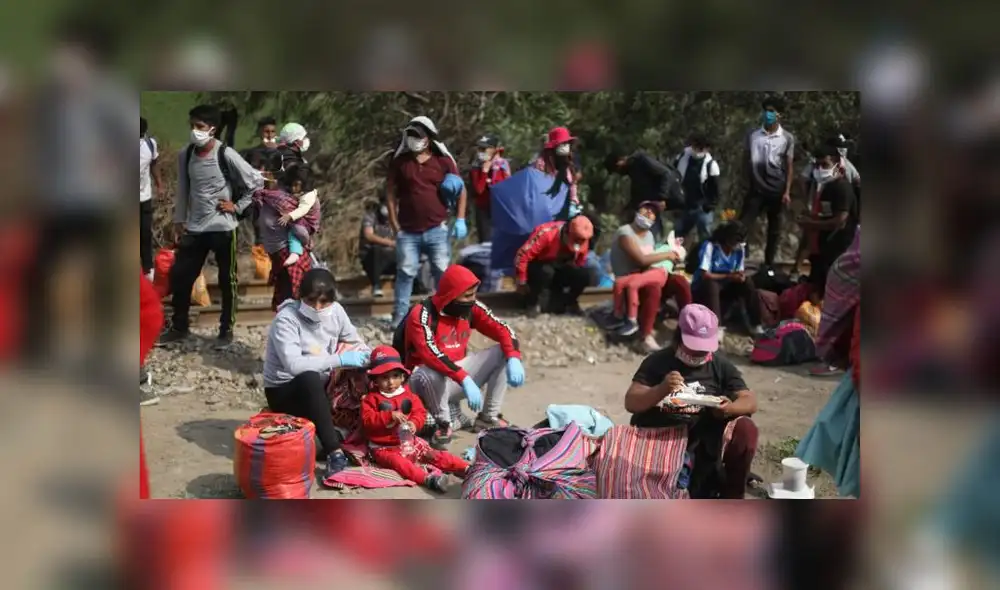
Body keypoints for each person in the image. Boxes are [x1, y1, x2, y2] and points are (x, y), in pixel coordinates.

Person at [625, 304, 760, 499]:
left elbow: (749, 400)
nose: (699, 353)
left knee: (746, 429)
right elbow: (632, 402)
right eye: (694, 346)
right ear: (679, 336)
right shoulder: (658, 362)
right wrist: (661, 389)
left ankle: (731, 495)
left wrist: (728, 408)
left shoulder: (719, 365)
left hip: (702, 444)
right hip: (661, 444)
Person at [159, 104, 263, 348]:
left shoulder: (225, 153)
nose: (195, 131)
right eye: (192, 126)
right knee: (181, 275)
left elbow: (255, 182)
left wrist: (236, 207)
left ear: (213, 130)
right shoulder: (186, 154)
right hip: (195, 227)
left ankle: (226, 330)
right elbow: (184, 189)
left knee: (228, 279)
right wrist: (178, 220)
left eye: (200, 127)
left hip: (223, 227)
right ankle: (179, 327)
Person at [262, 268, 372, 480]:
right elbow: (294, 365)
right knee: (309, 376)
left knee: (366, 370)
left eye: (324, 302)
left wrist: (364, 355)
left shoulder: (336, 312)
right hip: (287, 389)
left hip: (324, 383)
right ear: (300, 297)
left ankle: (366, 432)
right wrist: (339, 360)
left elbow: (355, 341)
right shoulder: (287, 320)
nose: (318, 308)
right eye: (311, 301)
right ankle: (334, 452)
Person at [401, 265, 524, 449]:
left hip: (454, 379)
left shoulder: (472, 309)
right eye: (467, 296)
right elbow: (430, 355)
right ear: (451, 295)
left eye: (474, 294)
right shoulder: (422, 314)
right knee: (431, 371)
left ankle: (488, 417)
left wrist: (513, 357)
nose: (472, 300)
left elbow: (502, 329)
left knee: (503, 352)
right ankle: (443, 425)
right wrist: (464, 379)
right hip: (422, 383)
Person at [386, 115, 467, 327]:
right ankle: (400, 317)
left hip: (436, 228)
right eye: (410, 135)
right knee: (405, 273)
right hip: (407, 231)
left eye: (418, 136)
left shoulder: (443, 162)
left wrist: (460, 219)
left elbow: (461, 189)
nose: (413, 139)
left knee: (441, 272)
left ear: (428, 139)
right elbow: (390, 194)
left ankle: (445, 313)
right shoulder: (400, 163)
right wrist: (394, 225)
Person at [361, 345, 469, 493]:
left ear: (402, 377)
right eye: (384, 378)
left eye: (395, 376)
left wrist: (414, 423)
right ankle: (429, 480)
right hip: (383, 447)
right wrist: (388, 416)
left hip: (408, 441)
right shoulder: (370, 399)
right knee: (401, 464)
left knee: (434, 454)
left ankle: (466, 468)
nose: (391, 382)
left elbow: (420, 412)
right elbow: (367, 420)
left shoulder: (409, 395)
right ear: (375, 380)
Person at [608, 202, 680, 352]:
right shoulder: (625, 233)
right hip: (627, 281)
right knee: (653, 287)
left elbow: (649, 262)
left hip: (642, 276)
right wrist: (668, 254)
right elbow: (641, 260)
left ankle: (685, 327)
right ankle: (643, 334)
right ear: (637, 211)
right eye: (645, 209)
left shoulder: (650, 236)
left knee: (679, 282)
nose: (648, 213)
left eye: (653, 212)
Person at [740, 96, 796, 269]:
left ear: (780, 115)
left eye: (772, 111)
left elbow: (789, 166)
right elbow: (745, 160)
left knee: (774, 230)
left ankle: (769, 265)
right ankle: (738, 259)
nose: (768, 114)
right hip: (756, 189)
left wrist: (786, 191)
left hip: (776, 190)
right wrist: (744, 181)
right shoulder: (752, 135)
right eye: (766, 110)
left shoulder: (787, 138)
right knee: (742, 226)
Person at [795, 144, 859, 291]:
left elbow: (839, 221)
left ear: (837, 163)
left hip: (838, 249)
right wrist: (810, 218)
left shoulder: (843, 188)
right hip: (823, 248)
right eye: (817, 166)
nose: (820, 170)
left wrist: (811, 224)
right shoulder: (827, 187)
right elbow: (826, 215)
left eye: (825, 165)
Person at [691, 221, 765, 337]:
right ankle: (717, 327)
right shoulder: (710, 246)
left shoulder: (740, 249)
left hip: (727, 283)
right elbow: (705, 275)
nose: (737, 244)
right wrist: (729, 276)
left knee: (748, 283)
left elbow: (739, 269)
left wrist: (740, 277)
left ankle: (755, 323)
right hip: (705, 285)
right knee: (712, 284)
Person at [514, 216, 594, 316]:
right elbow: (522, 256)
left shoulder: (583, 240)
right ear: (565, 231)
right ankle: (533, 303)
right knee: (546, 271)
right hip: (539, 268)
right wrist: (521, 281)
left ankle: (570, 303)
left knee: (584, 274)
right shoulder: (546, 233)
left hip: (559, 268)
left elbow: (579, 263)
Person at [604, 148, 684, 223]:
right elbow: (638, 195)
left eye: (616, 169)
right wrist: (626, 210)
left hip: (669, 201)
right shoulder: (633, 172)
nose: (619, 173)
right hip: (652, 208)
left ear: (620, 161)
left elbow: (665, 174)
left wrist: (662, 198)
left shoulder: (641, 161)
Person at [673, 134, 721, 243]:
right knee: (678, 234)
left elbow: (715, 189)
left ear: (707, 149)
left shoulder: (711, 165)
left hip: (702, 207)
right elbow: (673, 178)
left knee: (705, 234)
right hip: (683, 204)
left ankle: (705, 257)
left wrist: (709, 206)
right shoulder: (681, 158)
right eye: (696, 146)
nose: (698, 150)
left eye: (701, 148)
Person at [468, 133, 511, 242]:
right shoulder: (476, 167)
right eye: (480, 149)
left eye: (485, 149)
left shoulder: (502, 166)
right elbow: (479, 190)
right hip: (483, 210)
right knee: (485, 242)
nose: (481, 152)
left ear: (494, 150)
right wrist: (484, 172)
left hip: (499, 210)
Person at [533, 127, 583, 219]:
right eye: (562, 143)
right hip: (545, 208)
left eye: (567, 143)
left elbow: (572, 186)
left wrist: (574, 202)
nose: (565, 146)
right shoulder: (542, 164)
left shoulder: (568, 164)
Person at [276, 163, 320, 267]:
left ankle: (295, 252)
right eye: (292, 185)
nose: (293, 188)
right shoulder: (300, 193)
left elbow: (303, 209)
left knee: (293, 232)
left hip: (308, 224)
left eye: (296, 185)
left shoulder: (309, 196)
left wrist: (289, 216)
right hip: (304, 223)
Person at [358, 191, 397, 297]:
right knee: (376, 250)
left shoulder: (396, 218)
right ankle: (376, 286)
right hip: (371, 258)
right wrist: (390, 243)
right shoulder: (371, 216)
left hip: (390, 257)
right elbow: (369, 235)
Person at [140, 117, 163, 280]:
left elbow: (154, 164)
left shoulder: (150, 144)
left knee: (145, 233)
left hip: (144, 197)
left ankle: (148, 269)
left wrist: (159, 185)